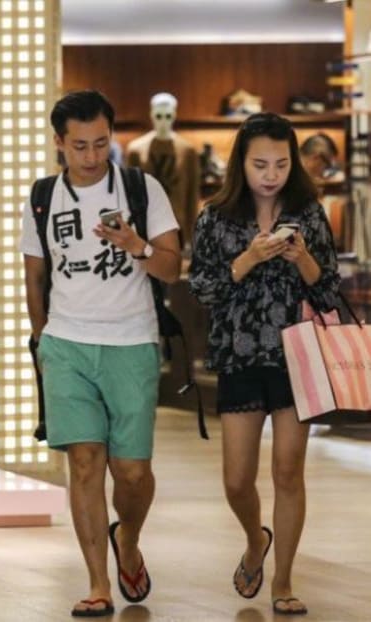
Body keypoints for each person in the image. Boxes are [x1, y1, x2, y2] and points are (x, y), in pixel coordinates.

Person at [21, 90, 180, 617]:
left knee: (132, 472)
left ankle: (128, 540)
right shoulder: (44, 196)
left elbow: (171, 268)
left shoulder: (141, 187)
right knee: (85, 465)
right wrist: (44, 340)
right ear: (59, 144)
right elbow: (35, 275)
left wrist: (135, 244)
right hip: (67, 344)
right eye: (80, 146)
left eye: (101, 144)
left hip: (131, 341)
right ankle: (97, 583)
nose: (92, 157)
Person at [188, 112, 340, 616]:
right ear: (242, 164)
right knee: (236, 479)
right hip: (239, 352)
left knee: (288, 470)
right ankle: (256, 539)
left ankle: (284, 580)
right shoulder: (215, 216)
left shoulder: (310, 213)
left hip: (296, 352)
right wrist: (251, 257)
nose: (270, 173)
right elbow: (202, 288)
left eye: (280, 162)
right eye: (259, 164)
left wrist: (301, 258)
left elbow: (327, 288)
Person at [127, 93, 200, 248]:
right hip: (146, 223)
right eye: (159, 116)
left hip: (176, 223)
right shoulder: (136, 149)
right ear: (152, 115)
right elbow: (129, 192)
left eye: (168, 116)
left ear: (174, 116)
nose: (163, 122)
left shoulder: (187, 150)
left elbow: (192, 193)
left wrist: (192, 233)